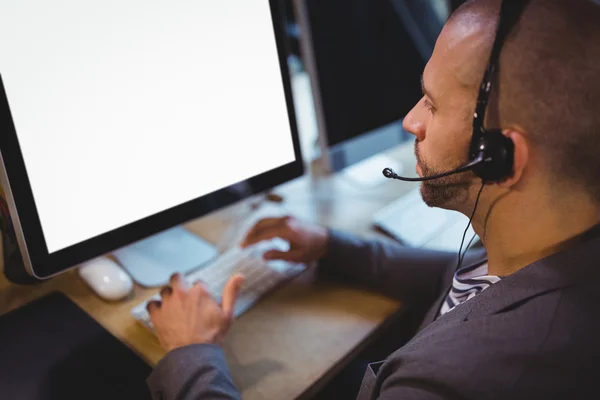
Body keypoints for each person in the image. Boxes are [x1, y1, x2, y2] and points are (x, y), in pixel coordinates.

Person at [145, 0, 600, 398]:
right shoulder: (554, 242)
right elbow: (460, 275)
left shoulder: (456, 380)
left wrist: (193, 355)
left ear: (499, 156)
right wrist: (331, 247)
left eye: (432, 103)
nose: (410, 120)